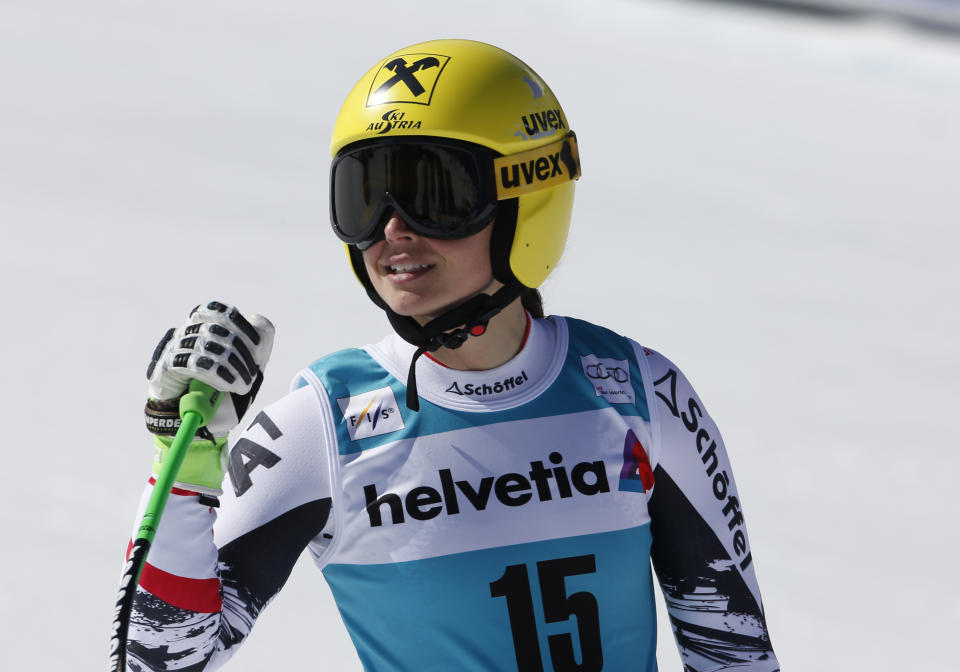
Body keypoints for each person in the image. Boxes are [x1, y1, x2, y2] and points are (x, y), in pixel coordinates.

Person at [123, 39, 780, 672]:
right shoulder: (321, 424)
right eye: (364, 195)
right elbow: (160, 658)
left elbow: (735, 653)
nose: (392, 230)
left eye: (436, 195)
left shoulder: (640, 392)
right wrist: (188, 460)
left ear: (527, 202)